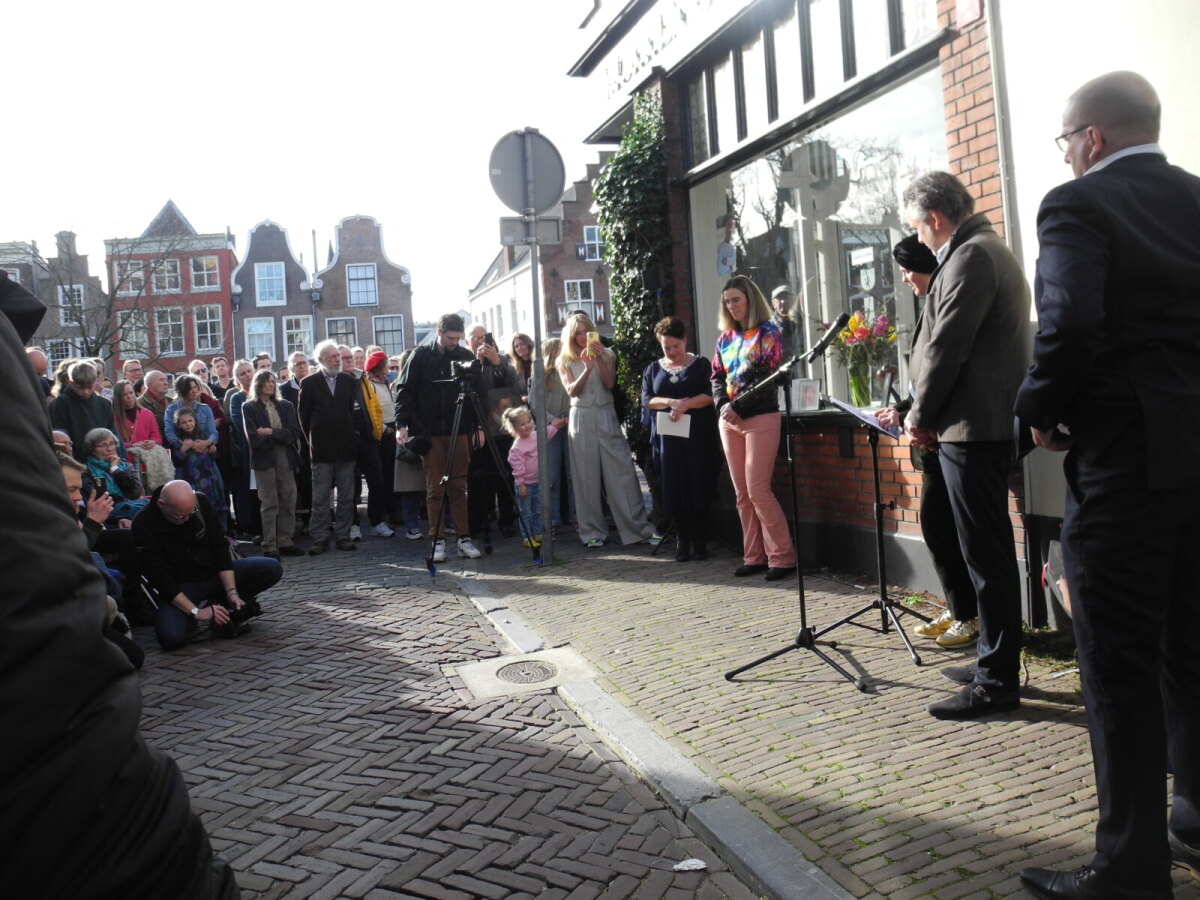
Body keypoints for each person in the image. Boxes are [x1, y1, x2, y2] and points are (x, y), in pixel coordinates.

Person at [1013, 72, 1200, 900]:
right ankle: (1192, 817)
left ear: (1090, 137)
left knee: (1118, 663)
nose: (1065, 154)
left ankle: (1129, 868)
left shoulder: (1077, 203)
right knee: (1193, 648)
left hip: (1126, 464)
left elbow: (1070, 324)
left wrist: (1040, 413)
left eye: (1064, 140)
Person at [1, 261, 240, 900]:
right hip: (72, 769)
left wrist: (231, 594)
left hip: (80, 755)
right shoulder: (128, 509)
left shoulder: (184, 509)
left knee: (249, 576)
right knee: (158, 636)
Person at [900, 170, 1030, 721]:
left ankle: (997, 680)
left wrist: (919, 415)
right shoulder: (980, 250)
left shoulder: (972, 255)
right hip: (971, 427)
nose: (921, 241)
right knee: (985, 552)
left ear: (934, 218)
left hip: (972, 430)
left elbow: (947, 346)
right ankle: (990, 660)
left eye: (918, 229)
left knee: (986, 555)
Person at [874, 235, 979, 649]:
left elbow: (946, 371)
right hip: (931, 437)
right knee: (938, 527)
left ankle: (968, 616)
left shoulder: (946, 299)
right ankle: (958, 608)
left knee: (942, 527)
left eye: (907, 269)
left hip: (946, 438)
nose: (904, 279)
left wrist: (915, 416)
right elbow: (924, 380)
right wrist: (901, 409)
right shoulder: (930, 302)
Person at [711, 275, 797, 581]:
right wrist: (723, 405)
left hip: (759, 418)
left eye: (736, 299)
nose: (731, 306)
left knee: (758, 490)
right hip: (729, 421)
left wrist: (738, 407)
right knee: (742, 494)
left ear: (750, 299)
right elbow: (716, 376)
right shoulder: (725, 339)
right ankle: (755, 556)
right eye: (727, 301)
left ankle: (783, 558)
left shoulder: (768, 332)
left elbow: (769, 377)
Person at [135, 480, 280, 651]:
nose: (187, 518)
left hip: (213, 575)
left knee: (271, 567)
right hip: (181, 586)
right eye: (180, 516)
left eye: (191, 512)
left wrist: (231, 591)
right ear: (162, 504)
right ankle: (196, 614)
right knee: (171, 638)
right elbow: (159, 579)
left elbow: (220, 548)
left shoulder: (201, 502)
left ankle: (221, 606)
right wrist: (196, 612)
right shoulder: (143, 523)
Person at [559, 311, 654, 549]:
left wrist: (599, 360)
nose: (582, 337)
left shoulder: (608, 354)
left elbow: (610, 384)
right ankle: (591, 532)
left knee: (621, 472)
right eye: (577, 333)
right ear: (570, 336)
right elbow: (572, 390)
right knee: (585, 477)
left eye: (586, 332)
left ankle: (637, 529)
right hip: (580, 416)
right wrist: (587, 368)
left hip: (606, 413)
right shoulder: (564, 359)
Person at [395, 313, 485, 562]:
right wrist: (403, 425)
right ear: (440, 333)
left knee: (459, 487)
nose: (455, 342)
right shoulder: (420, 356)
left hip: (461, 430)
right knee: (435, 489)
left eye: (458, 338)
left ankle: (464, 538)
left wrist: (478, 425)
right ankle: (437, 540)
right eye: (451, 337)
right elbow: (405, 390)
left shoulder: (466, 357)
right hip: (430, 431)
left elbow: (479, 392)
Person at [642, 316, 719, 562]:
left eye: (676, 346)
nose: (672, 351)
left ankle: (700, 540)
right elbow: (648, 399)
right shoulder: (653, 369)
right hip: (668, 438)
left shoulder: (701, 365)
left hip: (696, 436)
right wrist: (671, 402)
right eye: (667, 347)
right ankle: (681, 540)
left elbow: (710, 394)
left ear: (685, 340)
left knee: (696, 482)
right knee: (673, 485)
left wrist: (685, 405)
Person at [299, 340, 360, 554]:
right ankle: (320, 537)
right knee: (321, 496)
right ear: (321, 360)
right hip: (322, 449)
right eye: (333, 356)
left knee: (346, 495)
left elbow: (351, 412)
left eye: (338, 356)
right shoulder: (309, 383)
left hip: (345, 446)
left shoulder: (348, 381)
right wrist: (312, 442)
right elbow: (303, 418)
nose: (338, 359)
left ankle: (343, 536)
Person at [242, 369, 303, 560]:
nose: (271, 384)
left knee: (289, 498)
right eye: (267, 381)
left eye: (273, 381)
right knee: (269, 502)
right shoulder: (249, 407)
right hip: (264, 459)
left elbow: (293, 433)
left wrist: (270, 432)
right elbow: (254, 439)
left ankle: (285, 540)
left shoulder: (286, 406)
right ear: (259, 384)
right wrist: (279, 435)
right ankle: (269, 545)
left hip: (286, 456)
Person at [467, 324, 521, 540]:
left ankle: (508, 519)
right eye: (475, 338)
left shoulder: (502, 361)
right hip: (474, 429)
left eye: (483, 337)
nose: (480, 342)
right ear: (468, 341)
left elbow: (513, 384)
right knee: (477, 476)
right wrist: (477, 365)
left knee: (504, 475)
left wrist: (496, 362)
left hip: (500, 429)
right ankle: (480, 518)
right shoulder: (464, 360)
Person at [503, 405, 566, 548]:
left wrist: (562, 422)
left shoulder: (536, 436)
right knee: (526, 512)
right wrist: (521, 484)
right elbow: (517, 468)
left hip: (538, 482)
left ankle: (539, 533)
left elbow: (549, 431)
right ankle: (527, 537)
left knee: (538, 510)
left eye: (528, 422)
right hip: (525, 485)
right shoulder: (517, 447)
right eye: (522, 424)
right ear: (514, 428)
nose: (527, 426)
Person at [50, 359, 122, 463]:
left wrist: (118, 455)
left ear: (96, 381)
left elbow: (113, 434)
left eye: (89, 387)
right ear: (71, 382)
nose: (85, 392)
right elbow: (59, 439)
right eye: (80, 387)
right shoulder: (59, 404)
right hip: (75, 462)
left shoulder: (104, 404)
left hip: (103, 462)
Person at [170, 407, 230, 531]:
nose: (188, 424)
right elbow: (176, 461)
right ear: (178, 425)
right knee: (196, 508)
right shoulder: (178, 441)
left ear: (195, 421)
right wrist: (183, 449)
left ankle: (219, 532)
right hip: (192, 480)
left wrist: (213, 450)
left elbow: (213, 457)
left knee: (213, 508)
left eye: (190, 421)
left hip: (209, 478)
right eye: (184, 422)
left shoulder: (203, 436)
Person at [537, 338, 575, 532]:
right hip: (550, 426)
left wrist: (570, 417)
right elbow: (536, 403)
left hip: (570, 422)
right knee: (551, 477)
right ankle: (553, 520)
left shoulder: (570, 369)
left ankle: (576, 517)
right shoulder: (540, 375)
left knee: (573, 474)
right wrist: (552, 420)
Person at [82, 427, 148, 526]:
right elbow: (97, 498)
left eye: (112, 444)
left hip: (131, 506)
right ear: (92, 449)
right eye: (102, 445)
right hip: (107, 512)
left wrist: (115, 470)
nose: (109, 449)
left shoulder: (125, 465)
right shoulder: (86, 471)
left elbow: (135, 493)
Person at [225, 359, 259, 537]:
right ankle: (249, 526)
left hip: (266, 450)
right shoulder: (236, 398)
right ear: (237, 378)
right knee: (248, 489)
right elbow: (239, 423)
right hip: (247, 451)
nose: (247, 375)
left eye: (249, 371)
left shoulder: (263, 394)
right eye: (242, 373)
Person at [280, 350, 313, 531]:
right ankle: (293, 521)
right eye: (298, 364)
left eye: (304, 363)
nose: (302, 367)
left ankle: (311, 520)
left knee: (311, 480)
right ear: (291, 367)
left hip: (312, 439)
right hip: (293, 441)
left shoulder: (315, 384)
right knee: (293, 482)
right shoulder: (283, 390)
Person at [137, 368, 170, 440]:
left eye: (166, 379)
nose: (166, 383)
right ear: (150, 385)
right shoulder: (139, 404)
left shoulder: (172, 402)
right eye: (161, 380)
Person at [511, 332, 535, 400]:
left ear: (529, 344)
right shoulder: (514, 368)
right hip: (524, 405)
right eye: (516, 346)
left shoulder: (538, 363)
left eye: (522, 344)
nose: (519, 348)